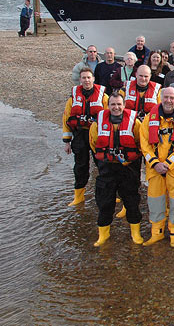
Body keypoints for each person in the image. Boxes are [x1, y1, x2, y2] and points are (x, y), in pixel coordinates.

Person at [139, 87, 174, 247]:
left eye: (172, 98)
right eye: (166, 97)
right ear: (160, 98)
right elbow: (144, 144)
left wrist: (169, 164)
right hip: (154, 168)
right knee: (155, 200)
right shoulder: (149, 119)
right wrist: (155, 163)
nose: (169, 101)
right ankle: (157, 232)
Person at [88, 92, 143, 246]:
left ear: (124, 105)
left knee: (132, 200)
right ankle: (103, 235)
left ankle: (135, 233)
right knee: (105, 202)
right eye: (113, 104)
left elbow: (140, 142)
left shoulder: (134, 122)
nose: (116, 107)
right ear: (108, 105)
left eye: (119, 104)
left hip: (128, 168)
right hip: (107, 168)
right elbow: (93, 143)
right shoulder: (97, 124)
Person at [62, 68, 109, 206]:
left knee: (103, 165)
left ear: (93, 79)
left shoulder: (103, 97)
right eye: (84, 78)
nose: (86, 80)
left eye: (89, 77)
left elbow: (108, 118)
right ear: (80, 80)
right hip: (80, 134)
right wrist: (67, 142)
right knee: (80, 166)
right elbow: (66, 118)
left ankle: (107, 192)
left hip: (97, 135)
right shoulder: (73, 98)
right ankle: (79, 196)